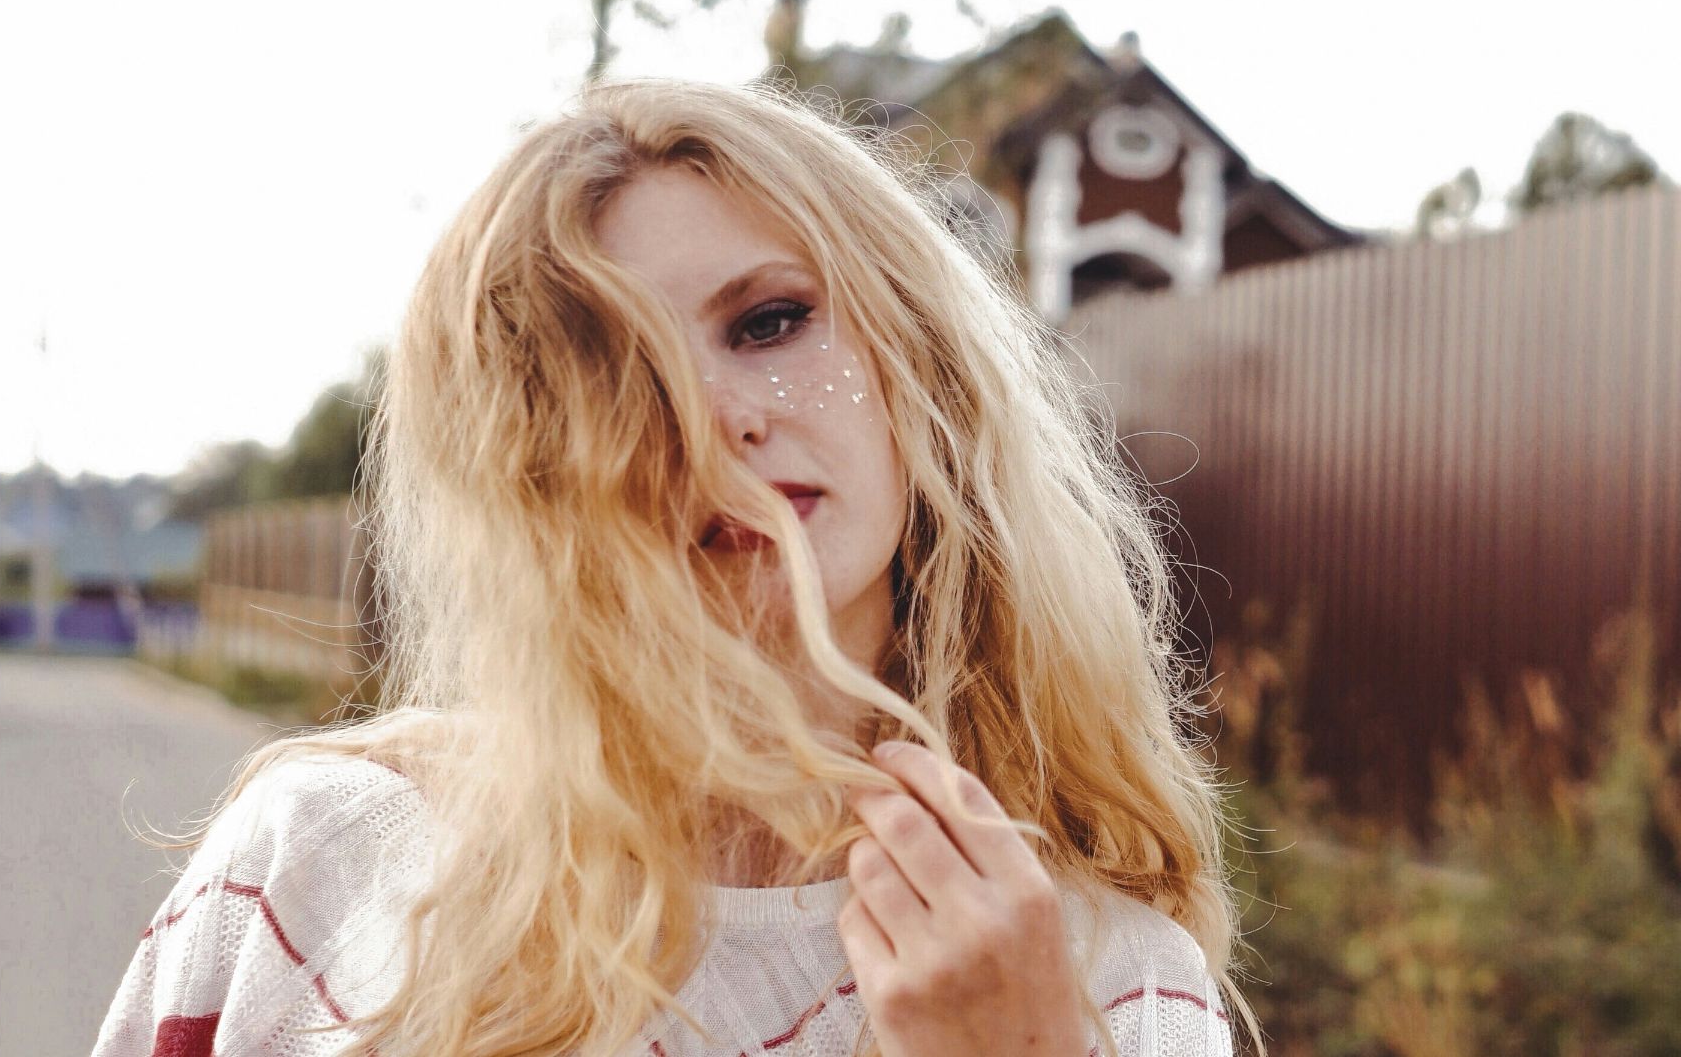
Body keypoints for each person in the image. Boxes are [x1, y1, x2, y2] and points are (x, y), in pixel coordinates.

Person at [92, 77, 1256, 1057]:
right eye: (619, 381)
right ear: (525, 474)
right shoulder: (326, 869)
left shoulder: (1108, 983)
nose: (714, 423)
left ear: (922, 366)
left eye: (769, 323)